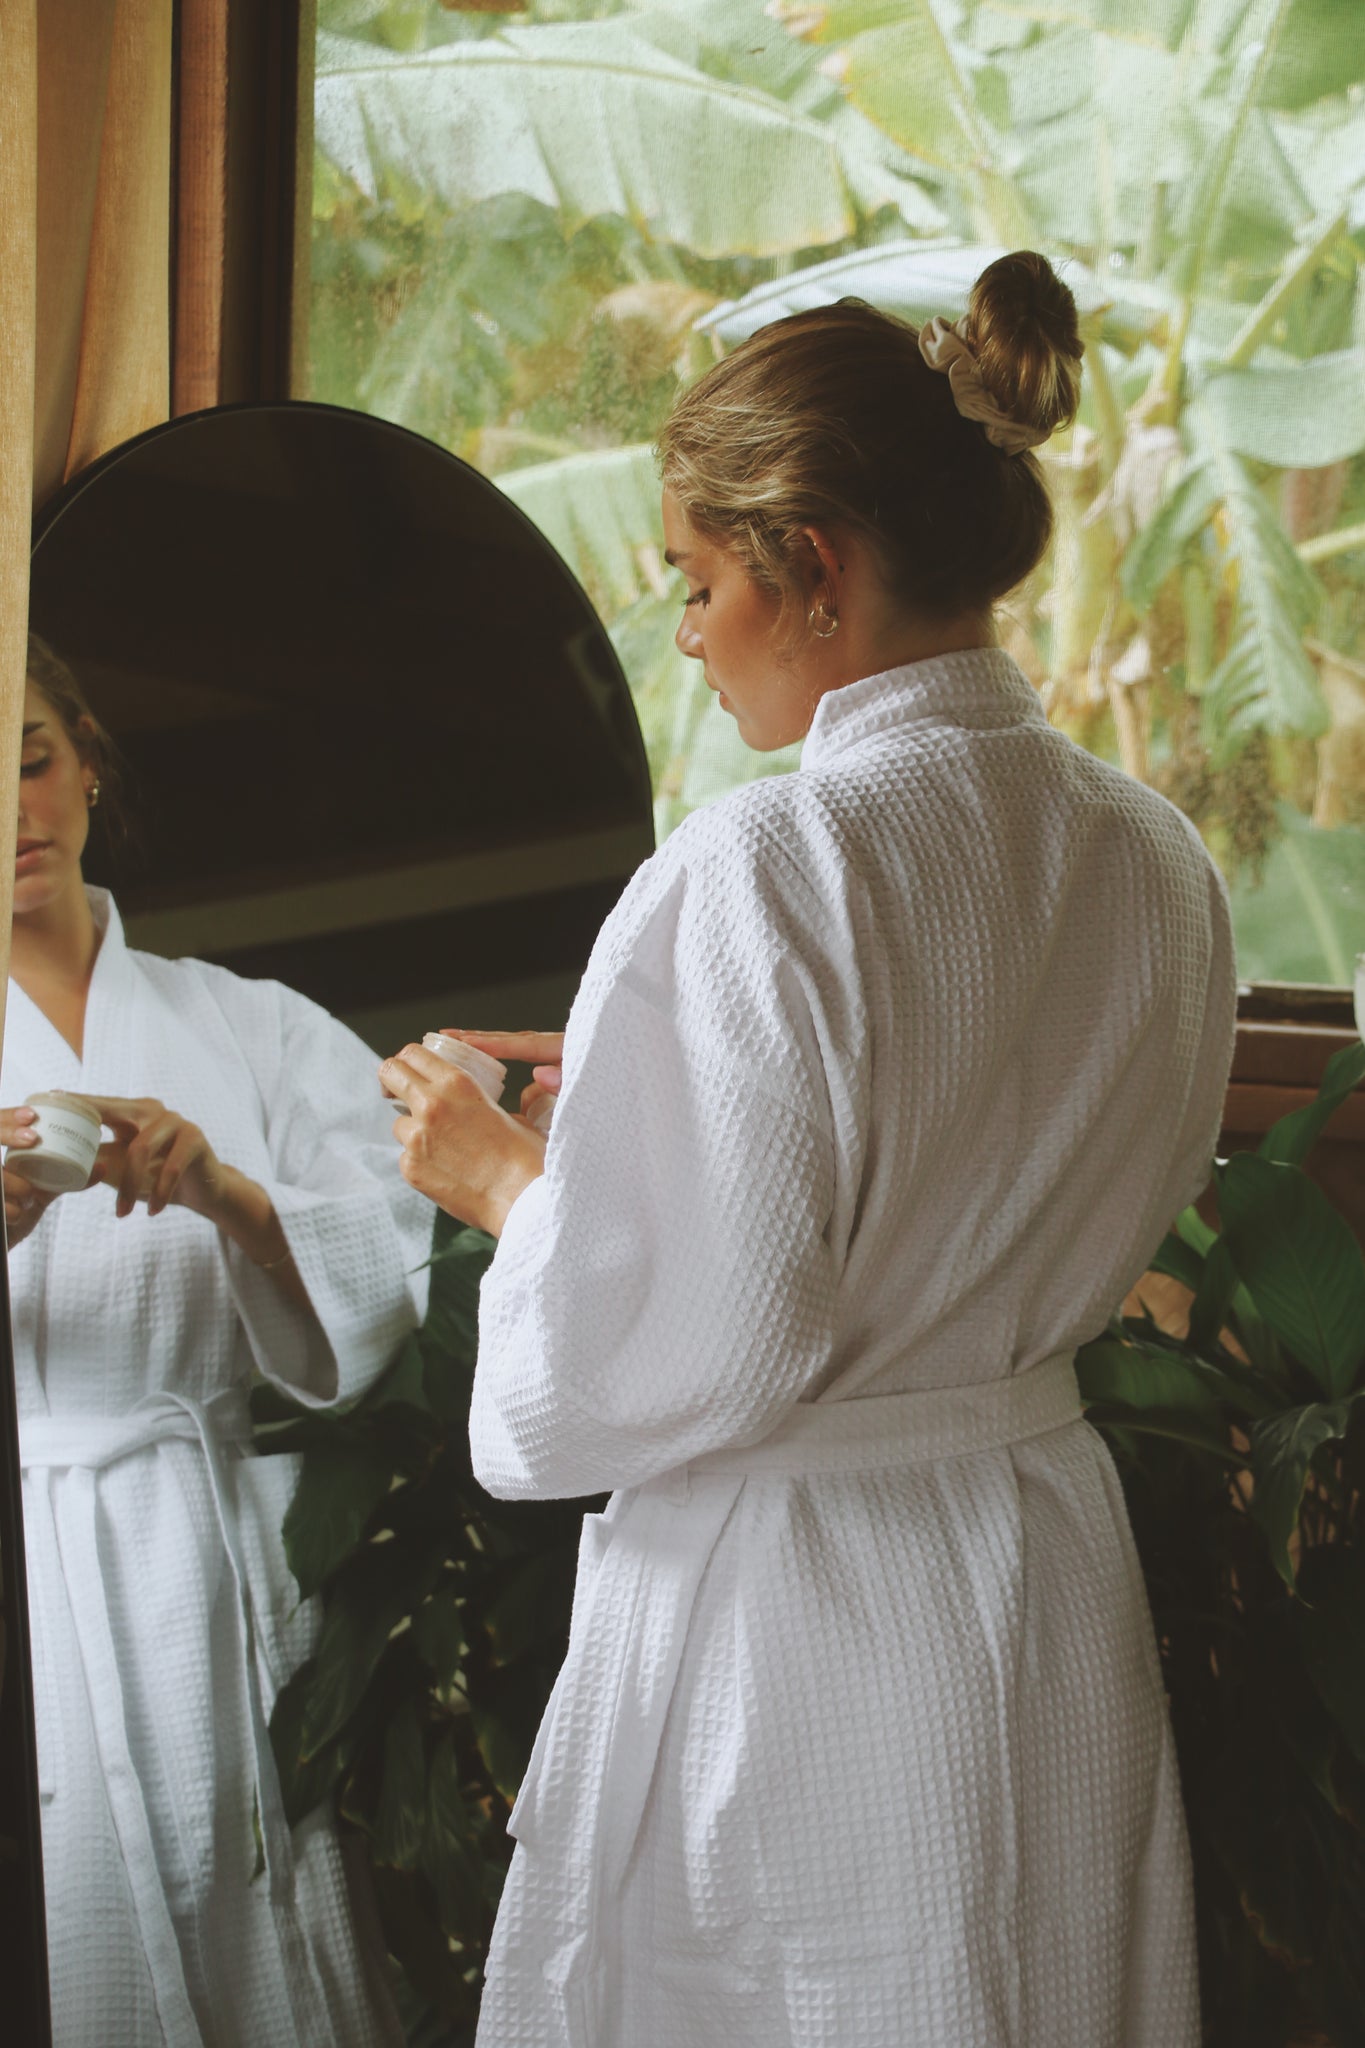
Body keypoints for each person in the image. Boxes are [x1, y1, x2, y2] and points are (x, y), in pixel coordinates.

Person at [381, 253, 1236, 2048]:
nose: (685, 632)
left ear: (814, 570)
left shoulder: (762, 865)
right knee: (1027, 1978)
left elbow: (693, 1337)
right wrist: (635, 1087)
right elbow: (983, 1140)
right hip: (1038, 1564)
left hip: (808, 1614)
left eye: (696, 582)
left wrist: (511, 1182)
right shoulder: (1152, 855)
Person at [3, 633, 432, 2047]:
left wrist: (225, 1192)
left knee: (269, 1937)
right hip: (30, 1581)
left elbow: (398, 1243)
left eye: (33, 759)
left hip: (211, 1550)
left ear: (86, 766)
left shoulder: (243, 1027)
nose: (17, 811)